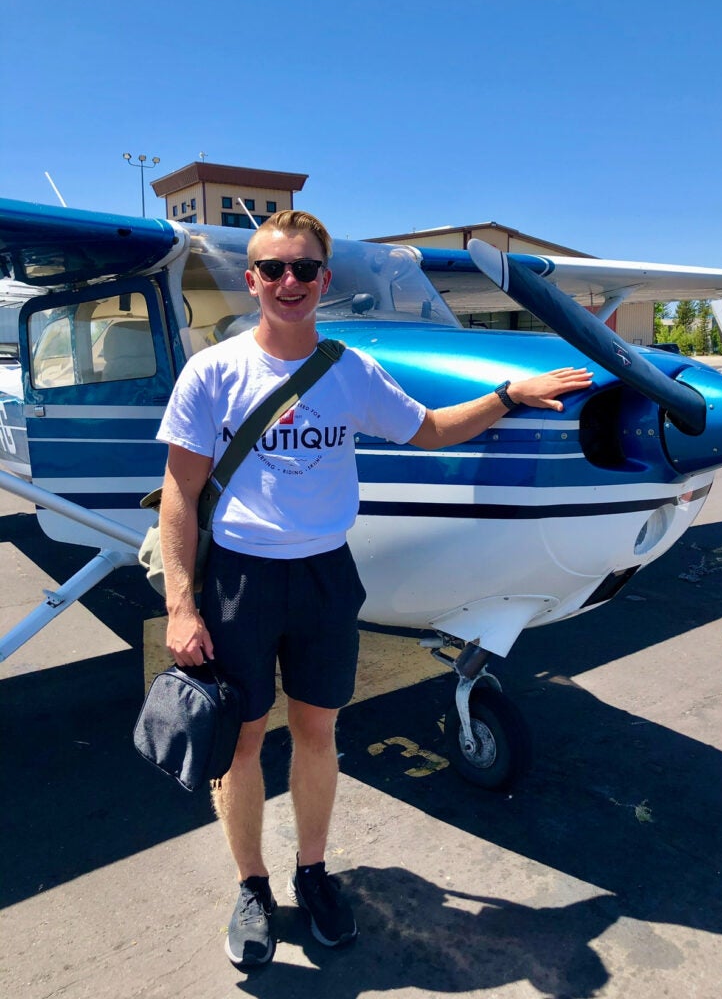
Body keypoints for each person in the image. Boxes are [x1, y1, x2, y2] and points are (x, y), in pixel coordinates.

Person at [157, 210, 593, 967]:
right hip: (240, 580)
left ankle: (314, 873)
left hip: (327, 575)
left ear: (324, 281)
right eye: (272, 269)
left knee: (320, 732)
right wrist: (182, 604)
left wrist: (506, 396)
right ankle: (253, 886)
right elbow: (177, 494)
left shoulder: (349, 370)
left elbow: (426, 429)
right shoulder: (213, 371)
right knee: (245, 740)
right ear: (252, 280)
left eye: (302, 269)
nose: (288, 282)